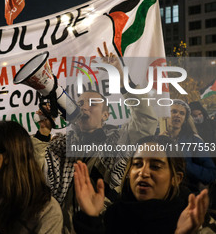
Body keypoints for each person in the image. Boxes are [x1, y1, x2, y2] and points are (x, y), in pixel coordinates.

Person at [31, 42, 158, 233]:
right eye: (80, 103)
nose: (84, 107)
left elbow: (146, 119)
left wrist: (123, 81)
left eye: (92, 103)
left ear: (106, 115)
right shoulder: (60, 144)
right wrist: (44, 131)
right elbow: (40, 170)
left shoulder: (120, 140)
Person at [73, 135, 214, 234]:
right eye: (137, 164)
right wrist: (91, 220)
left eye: (155, 166)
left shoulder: (195, 219)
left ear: (176, 178)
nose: (143, 172)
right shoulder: (111, 214)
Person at [163, 99, 216, 193]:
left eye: (182, 113)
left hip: (186, 194)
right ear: (166, 115)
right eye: (174, 111)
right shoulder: (156, 139)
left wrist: (184, 163)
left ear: (185, 119)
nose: (177, 115)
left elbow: (210, 174)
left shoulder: (194, 141)